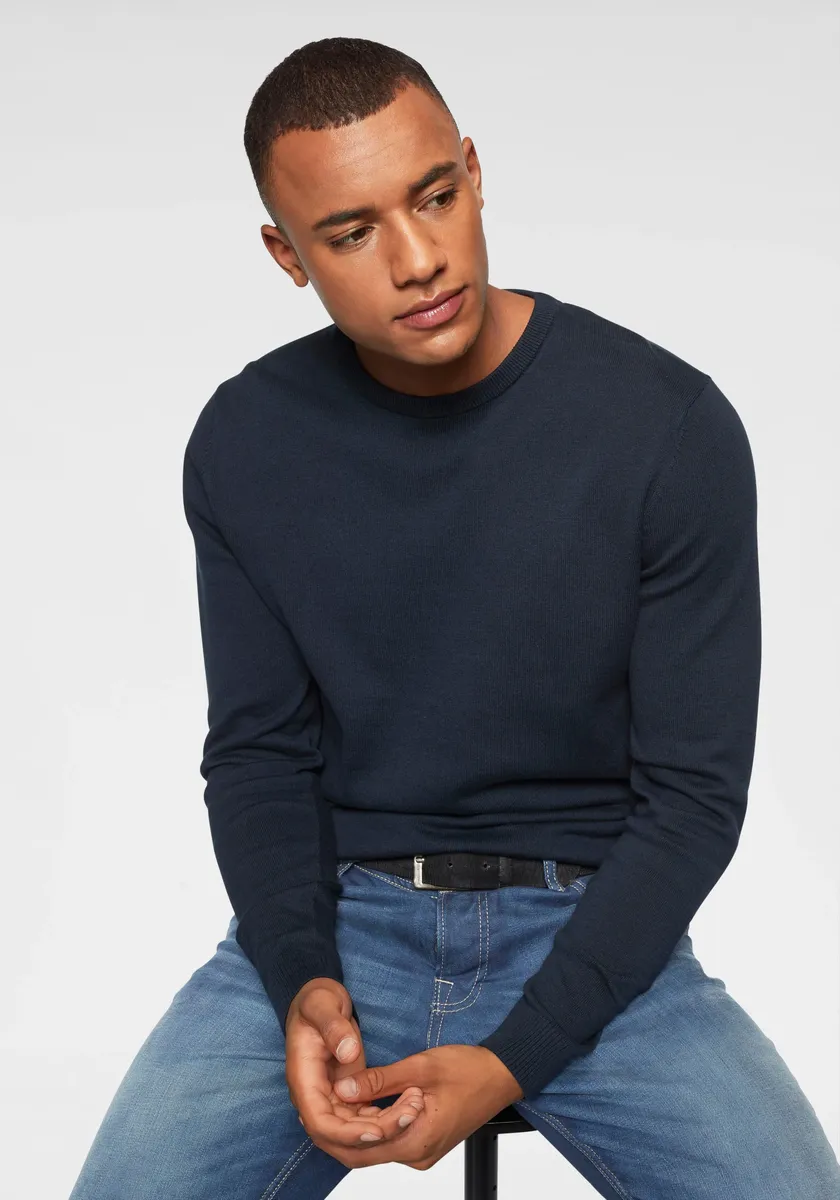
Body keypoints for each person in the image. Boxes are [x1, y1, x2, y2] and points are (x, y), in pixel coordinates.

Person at [68, 35, 840, 1200]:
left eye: (434, 196)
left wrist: (518, 1053)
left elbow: (693, 800)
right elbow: (260, 757)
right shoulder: (248, 441)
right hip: (340, 922)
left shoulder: (666, 428)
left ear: (474, 172)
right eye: (351, 233)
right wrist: (300, 978)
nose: (419, 259)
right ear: (287, 255)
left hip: (594, 931)